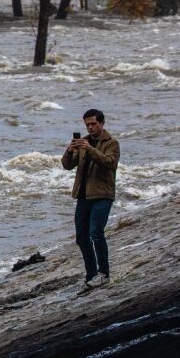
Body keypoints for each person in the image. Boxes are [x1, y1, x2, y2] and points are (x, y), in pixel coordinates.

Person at [61, 109, 119, 290]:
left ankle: (104, 274)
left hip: (102, 195)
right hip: (83, 195)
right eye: (88, 124)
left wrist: (90, 149)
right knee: (81, 237)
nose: (90, 127)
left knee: (96, 233)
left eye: (93, 124)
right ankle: (91, 275)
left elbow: (108, 163)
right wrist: (70, 151)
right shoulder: (83, 143)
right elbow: (67, 165)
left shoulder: (112, 143)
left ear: (102, 124)